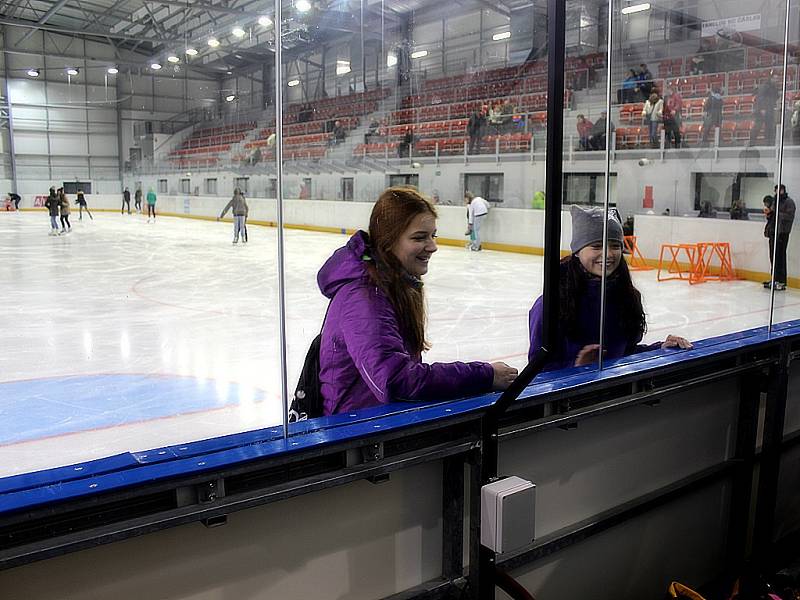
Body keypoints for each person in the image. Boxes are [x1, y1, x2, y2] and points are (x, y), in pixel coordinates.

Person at [316, 187, 518, 415]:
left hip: (375, 423)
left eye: (434, 235)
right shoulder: (364, 297)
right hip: (353, 432)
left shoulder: (391, 283)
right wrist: (484, 375)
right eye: (420, 237)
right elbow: (395, 380)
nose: (433, 246)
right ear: (388, 241)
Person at [528, 205, 692, 370]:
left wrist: (660, 348)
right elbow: (537, 372)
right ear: (577, 251)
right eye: (597, 246)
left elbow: (624, 354)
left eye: (614, 245)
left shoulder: (627, 296)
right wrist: (578, 368)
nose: (608, 254)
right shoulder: (551, 304)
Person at [763, 185, 796, 291]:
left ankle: (781, 280)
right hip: (773, 232)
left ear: (784, 190)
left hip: (782, 232)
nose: (778, 192)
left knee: (780, 256)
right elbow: (772, 216)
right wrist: (769, 214)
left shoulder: (789, 202)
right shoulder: (775, 201)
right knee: (773, 256)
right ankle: (774, 278)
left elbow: (789, 216)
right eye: (776, 190)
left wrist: (776, 213)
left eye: (780, 190)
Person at [751, 76, 778, 146]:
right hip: (762, 109)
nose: (776, 80)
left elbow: (775, 97)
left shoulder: (774, 87)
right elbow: (760, 97)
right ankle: (752, 143)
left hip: (770, 109)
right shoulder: (765, 86)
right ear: (771, 78)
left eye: (777, 78)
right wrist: (762, 108)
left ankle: (769, 143)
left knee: (769, 127)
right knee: (758, 126)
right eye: (775, 78)